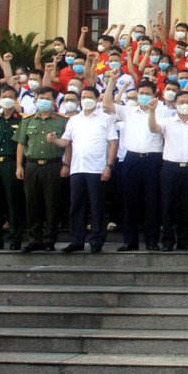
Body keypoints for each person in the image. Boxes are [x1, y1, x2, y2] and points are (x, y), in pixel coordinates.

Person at [47, 87, 118, 253]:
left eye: (89, 97)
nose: (86, 99)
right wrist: (54, 140)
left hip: (97, 168)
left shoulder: (106, 119)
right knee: (76, 205)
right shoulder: (74, 120)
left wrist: (108, 165)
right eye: (83, 97)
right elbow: (66, 142)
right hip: (77, 169)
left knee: (97, 206)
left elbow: (113, 143)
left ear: (96, 99)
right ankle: (77, 240)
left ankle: (97, 240)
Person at [102, 71, 163, 251]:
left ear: (154, 94)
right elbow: (106, 103)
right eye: (141, 93)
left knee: (152, 201)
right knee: (130, 201)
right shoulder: (128, 110)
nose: (144, 96)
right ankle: (130, 241)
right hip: (131, 159)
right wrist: (112, 80)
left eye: (147, 93)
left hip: (153, 159)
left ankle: (152, 241)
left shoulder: (163, 111)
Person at [14, 87, 69, 252]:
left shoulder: (62, 120)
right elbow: (21, 143)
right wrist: (19, 166)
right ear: (36, 100)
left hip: (53, 165)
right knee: (32, 203)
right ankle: (34, 239)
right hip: (32, 165)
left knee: (52, 203)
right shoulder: (28, 120)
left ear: (53, 101)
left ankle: (49, 240)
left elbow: (68, 144)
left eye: (47, 98)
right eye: (41, 98)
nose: (44, 101)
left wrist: (66, 164)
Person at [146, 90, 188, 251]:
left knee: (187, 207)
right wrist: (151, 111)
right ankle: (168, 240)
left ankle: (183, 239)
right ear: (175, 104)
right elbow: (154, 128)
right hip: (170, 168)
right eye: (181, 102)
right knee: (168, 205)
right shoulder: (167, 121)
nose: (184, 105)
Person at [0, 85, 25, 250]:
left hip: (11, 163)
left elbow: (22, 144)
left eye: (10, 96)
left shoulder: (21, 119)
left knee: (13, 201)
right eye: (4, 96)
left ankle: (15, 237)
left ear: (15, 99)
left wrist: (19, 166)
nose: (6, 98)